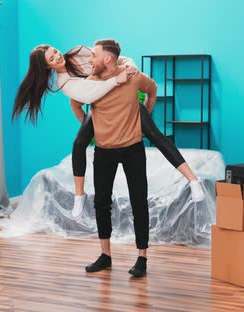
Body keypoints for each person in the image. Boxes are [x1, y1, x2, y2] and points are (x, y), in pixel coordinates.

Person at [12, 44, 205, 221]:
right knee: (79, 143)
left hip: (123, 99)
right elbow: (87, 96)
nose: (57, 56)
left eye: (54, 51)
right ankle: (79, 194)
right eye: (52, 59)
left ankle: (192, 179)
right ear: (48, 67)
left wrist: (130, 65)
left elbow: (113, 59)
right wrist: (95, 123)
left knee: (156, 135)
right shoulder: (63, 82)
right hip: (100, 106)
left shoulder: (79, 53)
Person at [73, 39, 155, 277]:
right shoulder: (90, 83)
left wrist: (145, 117)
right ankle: (105, 255)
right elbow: (75, 103)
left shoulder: (133, 77)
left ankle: (142, 258)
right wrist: (90, 128)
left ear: (107, 59)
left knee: (139, 201)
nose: (90, 60)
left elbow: (152, 90)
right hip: (103, 151)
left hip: (133, 149)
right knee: (102, 203)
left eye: (94, 55)